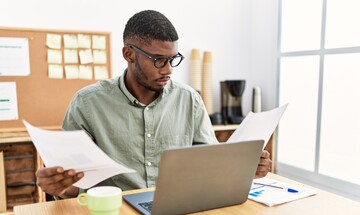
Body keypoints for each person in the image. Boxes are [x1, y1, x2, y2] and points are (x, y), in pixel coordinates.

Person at [36, 10, 272, 199]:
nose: (168, 70)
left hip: (176, 209)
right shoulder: (88, 103)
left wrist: (245, 170)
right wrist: (60, 187)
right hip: (116, 214)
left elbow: (210, 168)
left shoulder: (189, 100)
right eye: (159, 60)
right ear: (129, 54)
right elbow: (74, 183)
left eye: (173, 60)